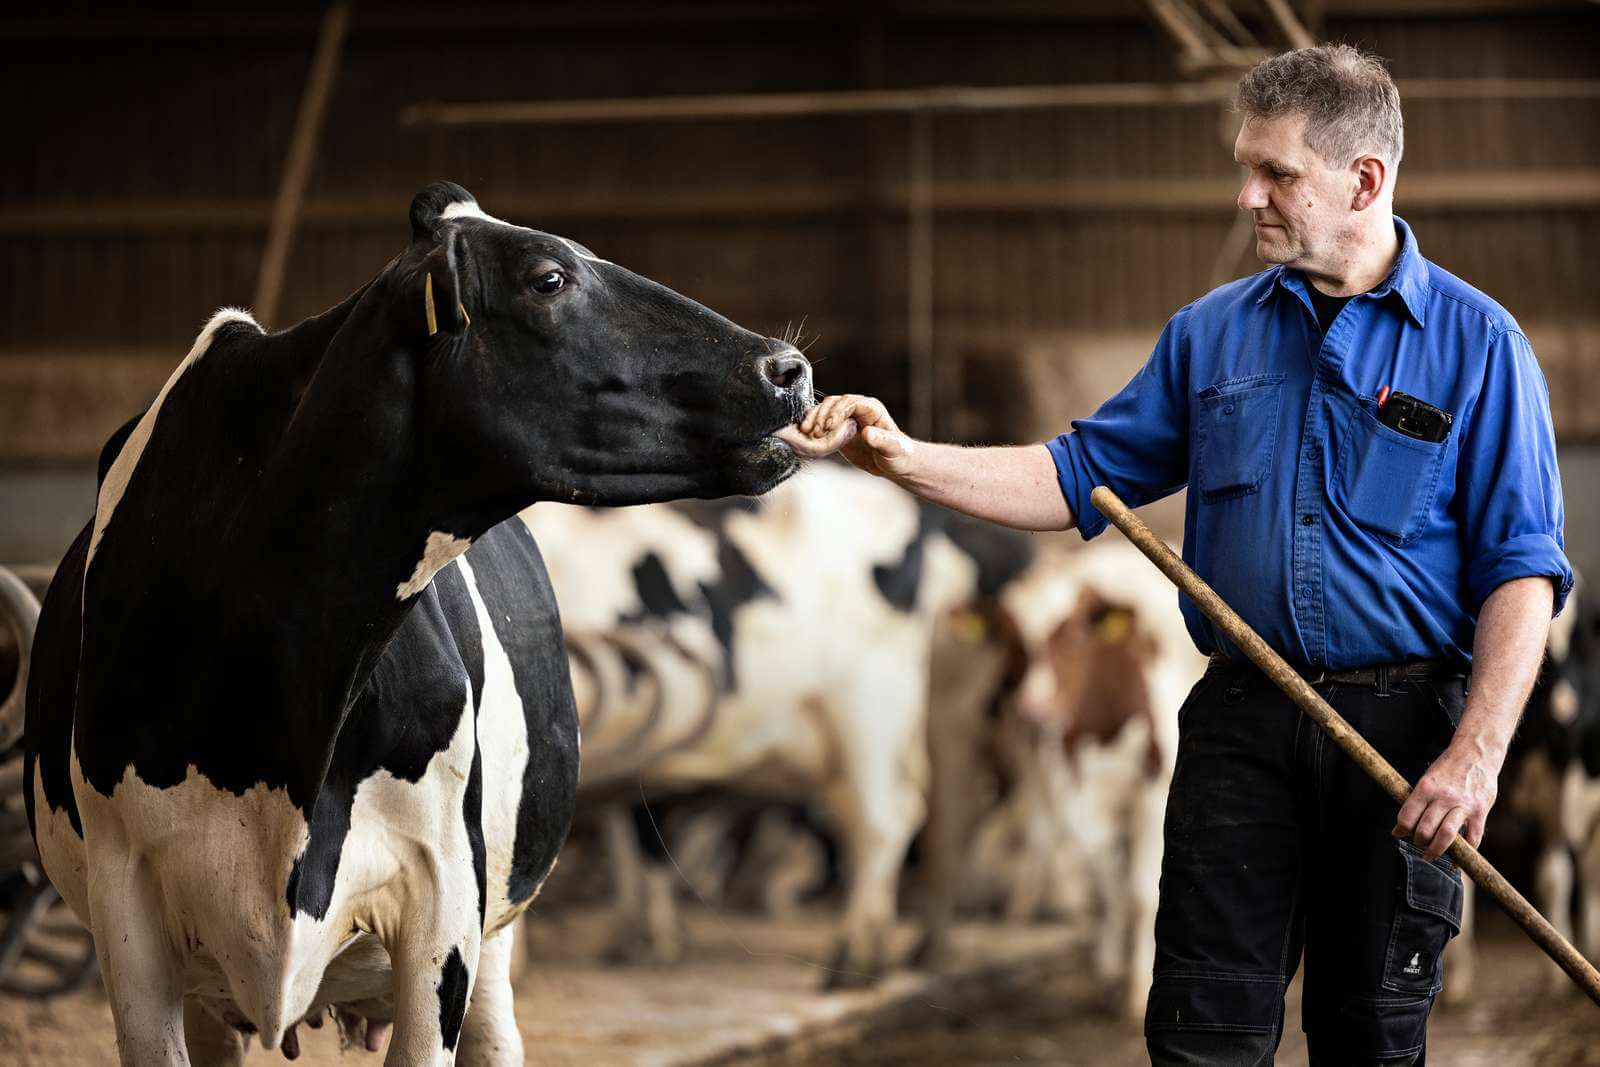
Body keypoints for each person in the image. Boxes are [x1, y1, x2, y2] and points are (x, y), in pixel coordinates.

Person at [791, 44, 1572, 1065]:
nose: (1246, 194)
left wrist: (1472, 756)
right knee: (1202, 1030)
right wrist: (900, 456)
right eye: (1244, 166)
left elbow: (1521, 567)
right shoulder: (1210, 335)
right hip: (1240, 722)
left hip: (1400, 732)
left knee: (1371, 1035)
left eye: (1276, 173)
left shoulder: (1478, 344)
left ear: (1363, 180)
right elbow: (1074, 476)